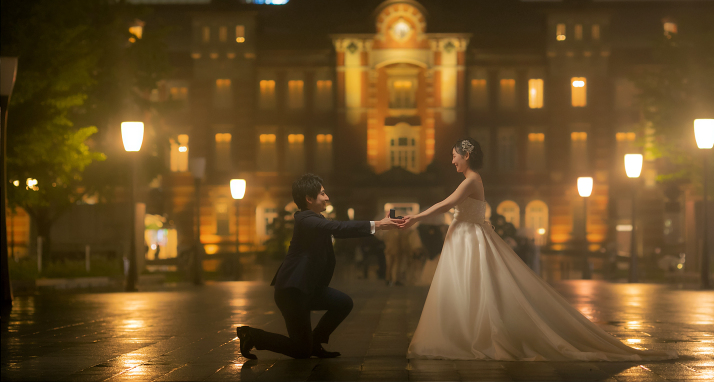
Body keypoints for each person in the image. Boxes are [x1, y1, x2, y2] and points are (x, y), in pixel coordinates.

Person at [399, 138, 677, 361]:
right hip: (464, 237)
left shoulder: (472, 180)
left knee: (474, 286)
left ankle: (472, 335)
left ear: (466, 155)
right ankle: (466, 332)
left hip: (468, 238)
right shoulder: (471, 180)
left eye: (454, 156)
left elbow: (447, 204)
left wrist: (415, 218)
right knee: (467, 287)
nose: (452, 161)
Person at [236, 173, 403, 360]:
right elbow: (338, 228)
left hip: (308, 289)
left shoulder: (317, 219)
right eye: (322, 193)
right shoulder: (305, 219)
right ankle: (252, 336)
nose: (327, 197)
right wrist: (378, 224)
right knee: (301, 351)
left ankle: (315, 341)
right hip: (292, 293)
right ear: (309, 198)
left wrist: (379, 226)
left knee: (344, 303)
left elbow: (339, 231)